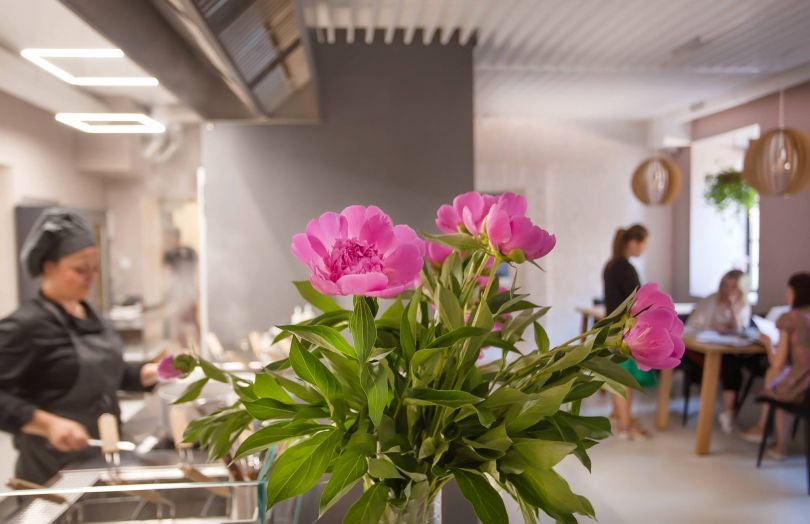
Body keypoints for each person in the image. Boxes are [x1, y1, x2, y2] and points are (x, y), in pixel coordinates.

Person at [0, 210, 160, 484]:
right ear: (48, 267)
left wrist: (147, 373)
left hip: (100, 461)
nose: (90, 278)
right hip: (50, 472)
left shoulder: (93, 316)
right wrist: (48, 425)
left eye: (94, 269)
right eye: (79, 270)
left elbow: (109, 374)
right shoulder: (25, 325)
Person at [741, 272, 810, 459]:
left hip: (802, 383)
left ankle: (780, 445)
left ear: (796, 293)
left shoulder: (790, 318)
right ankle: (766, 429)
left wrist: (766, 342)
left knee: (775, 374)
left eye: (789, 291)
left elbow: (777, 360)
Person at [686, 270, 756, 434]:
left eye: (733, 286)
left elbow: (740, 329)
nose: (728, 290)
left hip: (728, 351)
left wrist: (732, 308)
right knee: (730, 365)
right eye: (725, 285)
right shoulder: (710, 301)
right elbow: (691, 326)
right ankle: (727, 412)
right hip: (701, 350)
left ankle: (727, 412)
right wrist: (712, 328)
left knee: (732, 364)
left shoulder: (742, 305)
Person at [603, 224, 650, 439]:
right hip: (623, 330)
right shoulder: (625, 268)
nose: (644, 249)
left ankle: (617, 416)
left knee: (616, 376)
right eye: (644, 244)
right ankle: (625, 425)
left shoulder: (612, 265)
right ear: (633, 242)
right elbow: (638, 302)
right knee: (624, 379)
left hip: (612, 329)